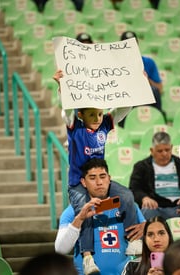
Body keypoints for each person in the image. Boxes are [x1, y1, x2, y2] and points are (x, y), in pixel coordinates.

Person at [53, 68, 138, 274]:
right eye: (92, 114)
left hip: (98, 179)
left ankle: (134, 243)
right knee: (88, 210)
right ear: (81, 114)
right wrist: (61, 86)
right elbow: (66, 111)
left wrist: (136, 87)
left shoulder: (103, 127)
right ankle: (88, 257)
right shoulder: (76, 128)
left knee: (126, 195)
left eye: (100, 113)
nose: (98, 118)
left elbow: (122, 109)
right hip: (78, 184)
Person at [55, 158, 146, 275]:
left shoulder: (128, 205)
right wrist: (80, 219)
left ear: (109, 178)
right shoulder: (72, 211)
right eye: (92, 178)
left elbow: (146, 235)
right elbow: (60, 250)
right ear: (83, 182)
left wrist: (146, 228)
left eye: (103, 176)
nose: (99, 182)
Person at [129, 132, 180, 228]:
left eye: (167, 150)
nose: (164, 154)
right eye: (160, 151)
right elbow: (134, 189)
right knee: (147, 210)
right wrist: (144, 198)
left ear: (171, 148)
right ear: (152, 151)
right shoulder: (141, 167)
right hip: (156, 209)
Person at [119, 31, 165, 119]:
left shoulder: (148, 62)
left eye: (133, 43)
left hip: (144, 98)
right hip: (126, 99)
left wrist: (146, 80)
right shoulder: (115, 65)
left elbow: (160, 89)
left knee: (154, 90)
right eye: (126, 44)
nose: (129, 47)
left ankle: (157, 119)